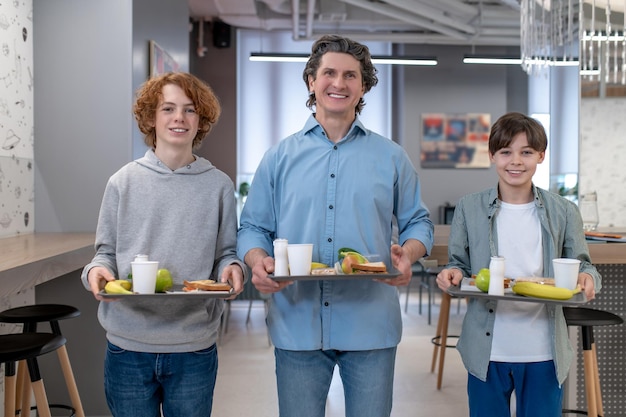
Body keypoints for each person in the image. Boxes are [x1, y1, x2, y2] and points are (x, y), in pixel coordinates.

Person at [237, 34, 434, 417]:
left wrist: (407, 255)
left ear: (364, 86)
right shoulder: (278, 157)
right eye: (329, 73)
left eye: (350, 76)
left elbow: (418, 222)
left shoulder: (391, 157)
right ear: (312, 80)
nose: (339, 84)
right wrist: (257, 260)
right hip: (297, 323)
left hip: (371, 325)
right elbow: (253, 228)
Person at [81, 72, 247, 417]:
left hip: (193, 345)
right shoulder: (122, 182)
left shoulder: (218, 185)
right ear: (150, 118)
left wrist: (232, 268)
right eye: (168, 108)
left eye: (189, 110)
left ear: (200, 120)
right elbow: (105, 255)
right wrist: (96, 272)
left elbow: (226, 254)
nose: (179, 118)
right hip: (128, 344)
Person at [436, 112, 601, 417]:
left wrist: (588, 279)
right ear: (492, 156)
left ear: (541, 155)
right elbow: (457, 263)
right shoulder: (468, 207)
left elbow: (583, 265)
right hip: (486, 350)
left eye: (526, 152)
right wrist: (451, 274)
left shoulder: (564, 211)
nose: (516, 161)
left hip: (544, 350)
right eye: (506, 152)